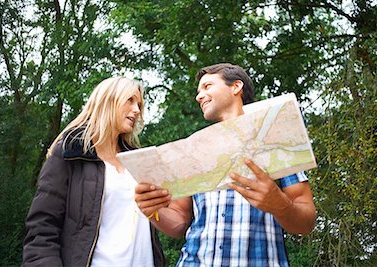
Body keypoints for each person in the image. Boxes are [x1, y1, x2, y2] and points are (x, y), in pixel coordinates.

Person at [135, 63, 316, 266]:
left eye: (208, 86)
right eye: (199, 90)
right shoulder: (194, 151)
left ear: (236, 86)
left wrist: (280, 205)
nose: (199, 95)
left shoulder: (275, 138)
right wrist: (152, 211)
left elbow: (307, 222)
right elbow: (179, 223)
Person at [22, 77, 165, 267]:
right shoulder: (69, 153)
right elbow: (42, 229)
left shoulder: (139, 161)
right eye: (130, 100)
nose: (137, 110)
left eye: (139, 104)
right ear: (108, 101)